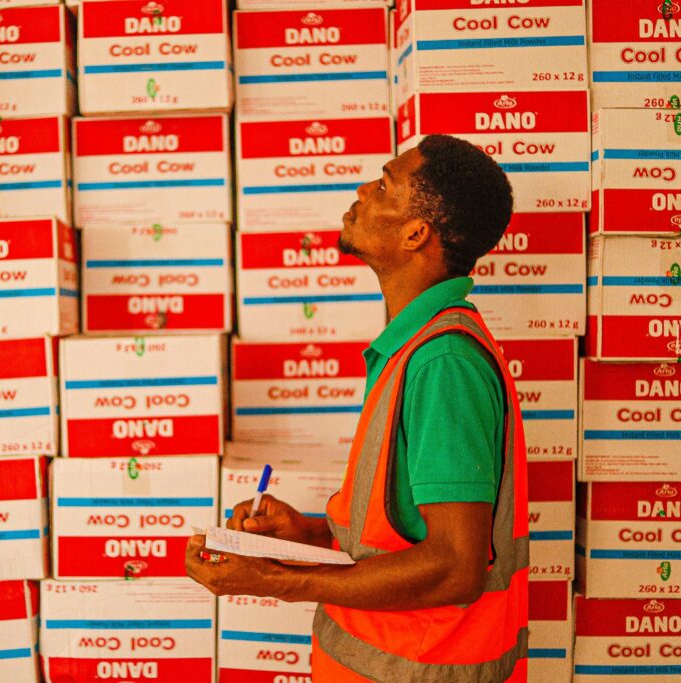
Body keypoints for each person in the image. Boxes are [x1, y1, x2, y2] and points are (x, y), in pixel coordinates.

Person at [186, 134, 529, 682]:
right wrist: (315, 535)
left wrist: (275, 580)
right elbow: (405, 534)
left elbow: (455, 567)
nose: (364, 189)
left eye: (385, 184)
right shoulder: (413, 349)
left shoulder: (443, 363)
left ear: (417, 233)